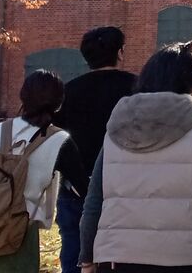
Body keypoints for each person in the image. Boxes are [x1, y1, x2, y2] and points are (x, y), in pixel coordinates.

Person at [78, 41, 192, 273]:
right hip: (181, 258)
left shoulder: (118, 128)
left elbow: (94, 200)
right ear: (191, 82)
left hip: (117, 256)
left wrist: (86, 257)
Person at [0, 70, 90, 273]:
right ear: (59, 103)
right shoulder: (59, 140)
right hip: (16, 239)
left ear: (23, 96)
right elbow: (85, 192)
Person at [53, 26, 137, 273]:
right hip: (126, 188)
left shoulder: (68, 91)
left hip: (77, 188)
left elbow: (57, 142)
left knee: (74, 255)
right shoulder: (137, 88)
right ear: (120, 52)